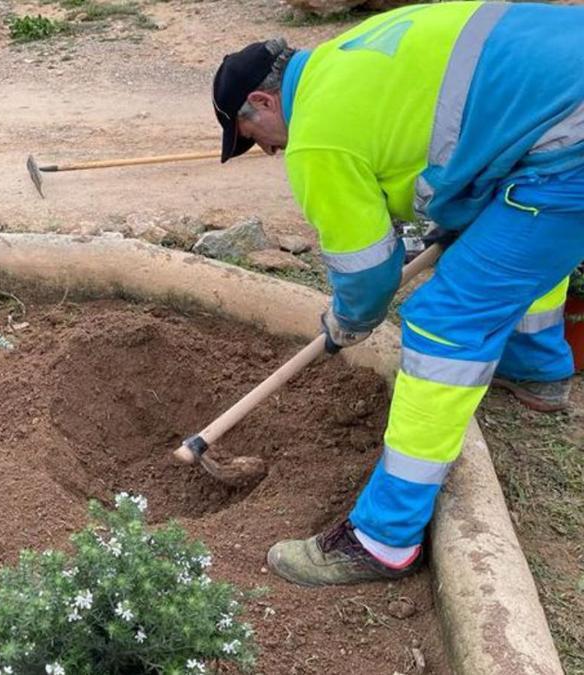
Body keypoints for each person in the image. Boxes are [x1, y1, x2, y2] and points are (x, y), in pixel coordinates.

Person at [211, 1, 584, 586]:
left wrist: (347, 321)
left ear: (261, 101)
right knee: (515, 241)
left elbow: (367, 276)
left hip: (569, 141)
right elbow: (451, 122)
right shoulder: (348, 53)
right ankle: (537, 370)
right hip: (557, 102)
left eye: (249, 136)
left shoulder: (317, 139)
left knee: (443, 322)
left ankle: (382, 539)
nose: (265, 151)